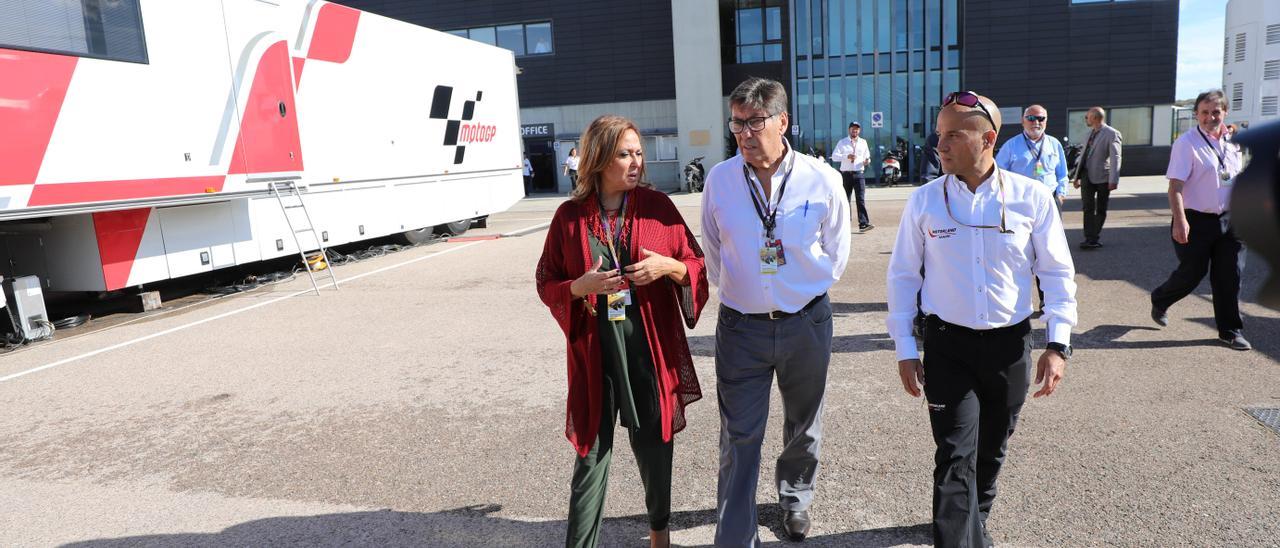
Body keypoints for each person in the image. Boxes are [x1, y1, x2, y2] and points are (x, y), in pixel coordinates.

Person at [886, 91, 1078, 548]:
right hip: (947, 346)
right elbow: (901, 277)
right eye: (939, 135)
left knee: (991, 450)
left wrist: (1057, 343)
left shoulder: (1031, 198)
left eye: (954, 134)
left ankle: (977, 520)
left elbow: (1055, 272)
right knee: (954, 455)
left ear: (988, 138)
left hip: (1009, 346)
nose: (941, 144)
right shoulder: (925, 202)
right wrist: (905, 349)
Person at [535, 115, 710, 548]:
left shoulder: (658, 208)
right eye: (624, 153)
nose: (636, 162)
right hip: (596, 352)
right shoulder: (569, 217)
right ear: (598, 158)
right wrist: (580, 287)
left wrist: (667, 267)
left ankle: (660, 535)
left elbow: (696, 265)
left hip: (649, 349)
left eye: (638, 152)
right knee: (591, 455)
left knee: (655, 446)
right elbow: (545, 280)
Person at [701, 77, 851, 545]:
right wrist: (747, 291)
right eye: (737, 123)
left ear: (782, 121)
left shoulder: (822, 178)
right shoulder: (720, 179)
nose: (744, 133)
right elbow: (712, 251)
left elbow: (837, 252)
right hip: (740, 328)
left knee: (803, 425)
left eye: (755, 122)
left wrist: (794, 287)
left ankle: (795, 499)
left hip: (805, 322)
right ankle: (735, 536)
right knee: (740, 436)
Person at [1150, 90, 1251, 351]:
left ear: (1225, 112)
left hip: (1231, 218)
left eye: (1216, 111)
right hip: (1196, 218)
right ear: (1196, 113)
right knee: (1192, 273)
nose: (1210, 117)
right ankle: (1161, 299)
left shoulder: (1234, 142)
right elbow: (1175, 187)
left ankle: (1230, 330)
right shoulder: (1187, 143)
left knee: (1230, 274)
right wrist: (1180, 220)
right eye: (1205, 112)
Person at [996, 104, 1071, 311]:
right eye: (1031, 118)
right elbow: (999, 174)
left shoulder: (1054, 144)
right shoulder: (1011, 146)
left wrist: (1062, 193)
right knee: (1019, 251)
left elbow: (1062, 173)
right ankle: (1018, 299)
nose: (1036, 122)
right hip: (1020, 205)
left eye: (1040, 118)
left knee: (1049, 251)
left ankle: (1046, 298)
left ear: (1046, 121)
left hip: (1050, 202)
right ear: (1023, 121)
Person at [1071, 106, 1122, 249]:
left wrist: (1114, 179)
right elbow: (1083, 156)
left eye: (1087, 117)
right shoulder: (1088, 134)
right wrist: (1077, 177)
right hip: (1086, 175)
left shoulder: (1112, 134)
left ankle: (1094, 237)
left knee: (1100, 209)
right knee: (1087, 208)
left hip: (1103, 177)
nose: (1086, 119)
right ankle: (1089, 238)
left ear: (1094, 117)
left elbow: (1116, 157)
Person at [831, 122, 874, 231]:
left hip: (859, 174)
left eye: (857, 129)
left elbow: (867, 156)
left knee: (861, 200)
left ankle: (863, 224)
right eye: (853, 129)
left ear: (859, 131)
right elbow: (834, 156)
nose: (855, 131)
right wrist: (846, 156)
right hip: (846, 175)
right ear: (849, 129)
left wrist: (867, 161)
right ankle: (845, 225)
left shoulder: (863, 142)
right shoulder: (842, 142)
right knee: (845, 200)